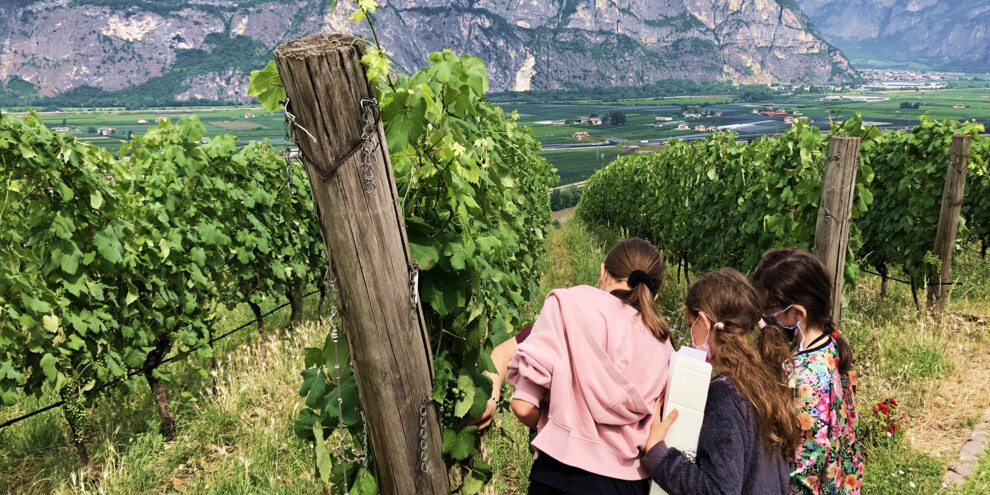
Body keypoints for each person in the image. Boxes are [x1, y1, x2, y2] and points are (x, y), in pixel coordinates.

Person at [507, 238, 675, 495]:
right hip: (629, 486)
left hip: (557, 477)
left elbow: (522, 406)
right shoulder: (665, 345)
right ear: (654, 296)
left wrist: (558, 426)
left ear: (603, 271)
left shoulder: (566, 304)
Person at [644, 268, 799, 495]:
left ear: (704, 323)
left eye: (691, 324)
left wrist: (659, 455)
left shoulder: (724, 396)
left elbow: (718, 490)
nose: (690, 333)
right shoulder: (765, 383)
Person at [752, 248, 863, 495]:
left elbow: (805, 473)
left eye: (769, 312)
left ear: (798, 313)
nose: (764, 319)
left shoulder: (806, 380)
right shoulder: (829, 344)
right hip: (841, 481)